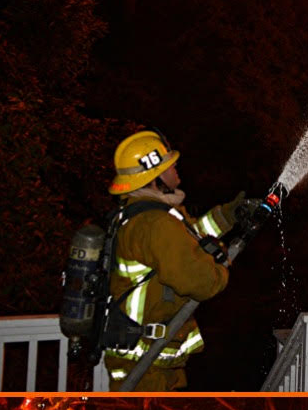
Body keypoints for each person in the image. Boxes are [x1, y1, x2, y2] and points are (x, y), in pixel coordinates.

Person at [101, 131, 245, 391]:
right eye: (169, 164)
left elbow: (188, 238)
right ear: (154, 176)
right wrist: (221, 268)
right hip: (146, 365)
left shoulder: (143, 215)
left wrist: (226, 216)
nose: (176, 166)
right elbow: (200, 281)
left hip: (150, 358)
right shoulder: (156, 224)